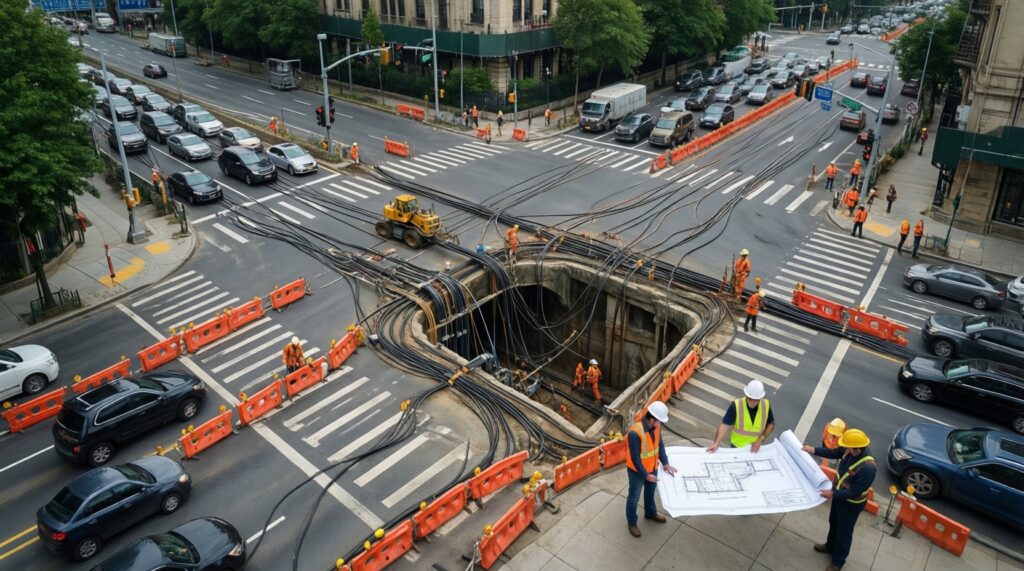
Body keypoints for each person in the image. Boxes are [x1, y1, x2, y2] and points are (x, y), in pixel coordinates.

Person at [801, 429, 876, 571]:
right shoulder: (850, 449)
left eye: (847, 447)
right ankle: (830, 546)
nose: (844, 449)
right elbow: (833, 452)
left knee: (844, 532)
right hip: (838, 496)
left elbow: (854, 492)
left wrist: (832, 494)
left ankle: (838, 562)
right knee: (834, 523)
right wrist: (812, 450)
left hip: (851, 505)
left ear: (857, 449)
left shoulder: (867, 468)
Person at [625, 401, 676, 538]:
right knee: (633, 498)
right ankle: (632, 522)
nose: (660, 425)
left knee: (650, 493)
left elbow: (660, 445)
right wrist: (645, 475)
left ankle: (650, 513)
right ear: (652, 419)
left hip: (652, 468)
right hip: (637, 473)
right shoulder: (635, 433)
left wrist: (665, 463)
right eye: (659, 421)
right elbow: (635, 459)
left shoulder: (656, 427)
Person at [706, 380, 774, 453]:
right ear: (746, 395)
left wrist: (760, 440)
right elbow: (725, 425)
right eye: (750, 399)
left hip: (755, 447)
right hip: (737, 447)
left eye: (756, 400)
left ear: (760, 398)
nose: (753, 402)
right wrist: (716, 443)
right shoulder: (736, 405)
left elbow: (771, 424)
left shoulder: (765, 405)